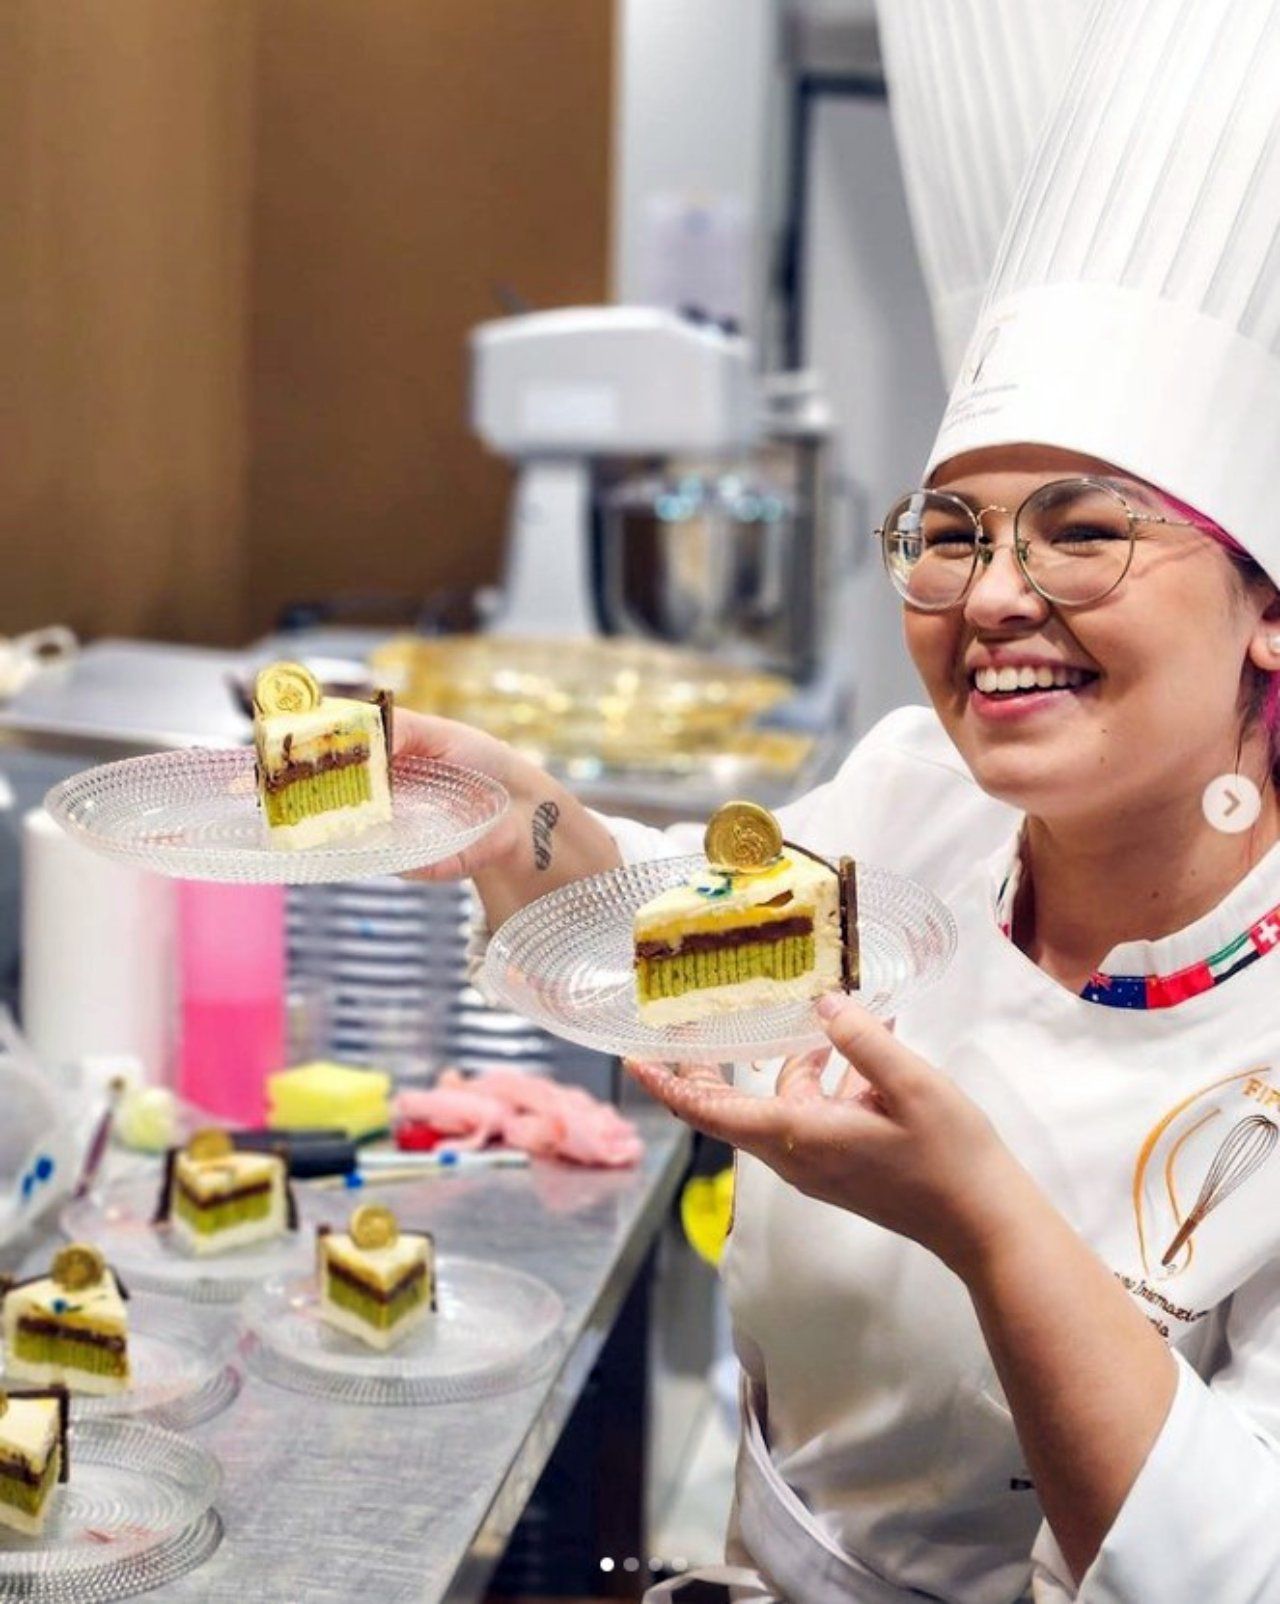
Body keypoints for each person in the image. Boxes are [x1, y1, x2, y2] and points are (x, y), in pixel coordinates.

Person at [397, 3, 1280, 1597]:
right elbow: (673, 936)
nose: (994, 593)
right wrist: (516, 815)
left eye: (1083, 530)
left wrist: (981, 1218)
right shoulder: (916, 794)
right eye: (949, 531)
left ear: (1266, 604)